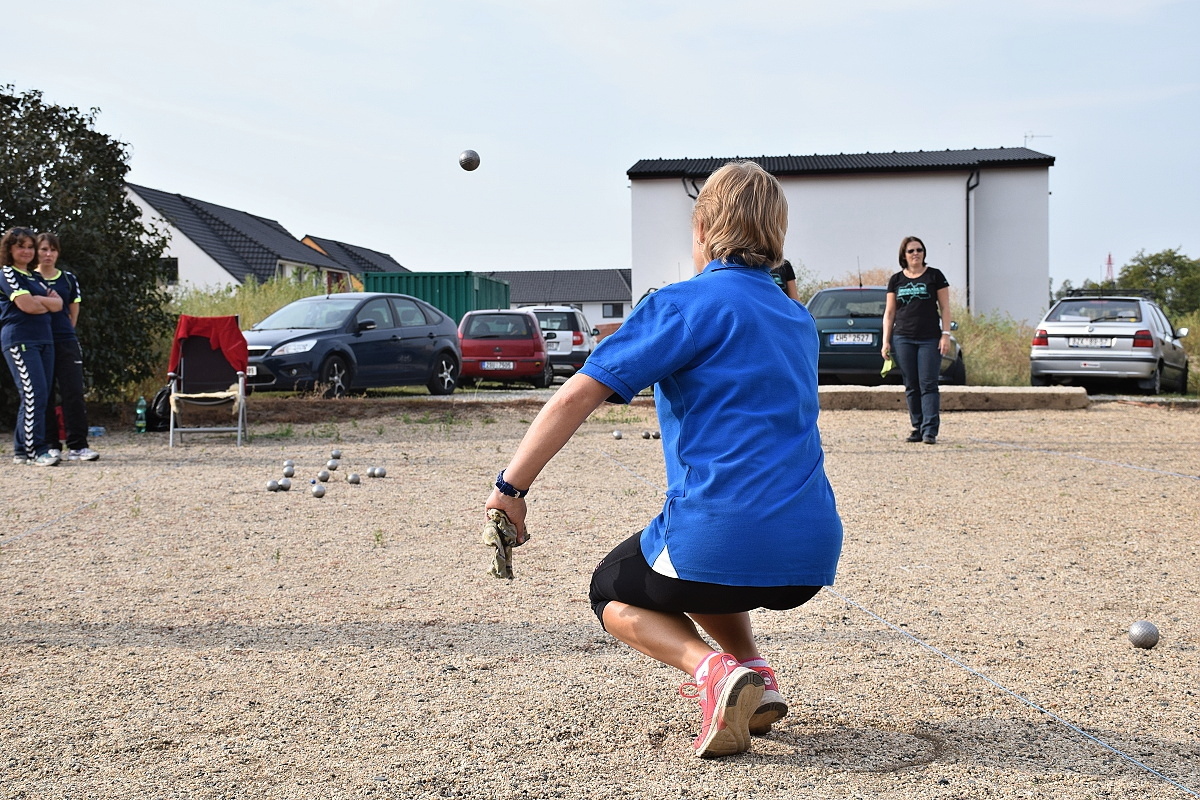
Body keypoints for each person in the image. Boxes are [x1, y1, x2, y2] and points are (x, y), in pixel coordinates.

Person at [485, 161, 843, 758]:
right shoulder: (797, 317)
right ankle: (756, 675)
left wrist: (510, 488)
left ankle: (713, 673)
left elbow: (577, 395)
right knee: (685, 571)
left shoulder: (681, 305)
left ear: (701, 229)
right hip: (811, 551)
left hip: (720, 537)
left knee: (611, 589)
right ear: (776, 234)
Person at [0, 227, 64, 466]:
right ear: (9, 249)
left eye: (30, 247)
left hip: (44, 339)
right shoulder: (7, 274)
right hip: (21, 339)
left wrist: (39, 300)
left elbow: (59, 304)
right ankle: (36, 450)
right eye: (21, 247)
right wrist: (40, 302)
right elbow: (28, 306)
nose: (26, 251)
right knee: (33, 394)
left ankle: (21, 451)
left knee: (41, 396)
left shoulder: (35, 277)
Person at [881, 235, 952, 444]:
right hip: (903, 337)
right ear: (904, 255)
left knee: (928, 384)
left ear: (924, 253)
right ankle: (917, 427)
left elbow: (945, 308)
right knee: (911, 384)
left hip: (929, 338)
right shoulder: (896, 280)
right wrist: (886, 341)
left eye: (919, 250)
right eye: (911, 251)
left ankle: (930, 430)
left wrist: (945, 335)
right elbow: (890, 313)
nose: (915, 254)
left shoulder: (935, 276)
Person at [35, 232, 99, 461]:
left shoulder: (68, 279)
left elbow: (73, 311)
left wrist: (66, 332)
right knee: (45, 393)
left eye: (53, 250)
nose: (48, 254)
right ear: (36, 252)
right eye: (44, 249)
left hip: (65, 341)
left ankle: (78, 445)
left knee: (73, 392)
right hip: (39, 341)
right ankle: (51, 445)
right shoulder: (28, 279)